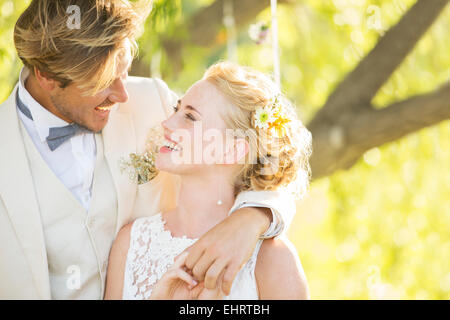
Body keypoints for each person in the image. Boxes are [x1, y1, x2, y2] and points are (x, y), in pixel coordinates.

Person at [0, 0, 295, 299]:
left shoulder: (152, 101)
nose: (122, 95)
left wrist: (254, 217)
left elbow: (258, 152)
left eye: (124, 72)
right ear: (46, 77)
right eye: (102, 82)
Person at [105, 62, 312, 299]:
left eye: (190, 117)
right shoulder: (131, 244)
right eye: (176, 109)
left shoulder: (273, 259)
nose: (168, 123)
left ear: (232, 150)